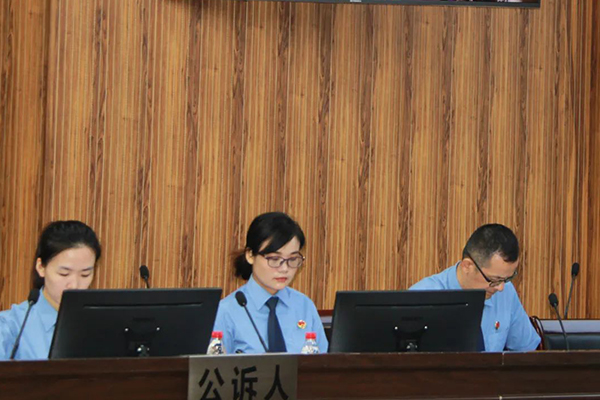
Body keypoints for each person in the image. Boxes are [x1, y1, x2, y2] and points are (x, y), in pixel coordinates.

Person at [410, 223, 540, 352]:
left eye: (507, 279)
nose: (501, 287)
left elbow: (527, 352)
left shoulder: (506, 291)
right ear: (467, 266)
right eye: (494, 280)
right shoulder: (422, 297)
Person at [214, 212, 328, 354]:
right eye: (274, 259)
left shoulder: (304, 307)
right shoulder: (226, 311)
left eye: (292, 259)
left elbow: (324, 363)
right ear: (250, 255)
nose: (284, 269)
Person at [0, 220, 101, 360]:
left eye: (85, 274)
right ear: (41, 267)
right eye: (64, 274)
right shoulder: (11, 326)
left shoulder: (101, 325)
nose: (74, 285)